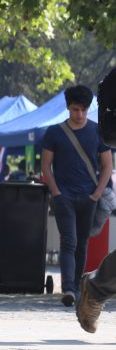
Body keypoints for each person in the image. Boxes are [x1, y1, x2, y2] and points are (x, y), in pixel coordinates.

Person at [41, 85, 112, 307]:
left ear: (88, 109)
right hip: (64, 198)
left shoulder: (98, 131)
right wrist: (56, 192)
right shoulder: (54, 132)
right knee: (69, 242)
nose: (79, 115)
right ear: (68, 109)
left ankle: (78, 287)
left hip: (88, 198)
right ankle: (69, 289)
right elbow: (46, 166)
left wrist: (97, 194)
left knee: (82, 244)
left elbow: (108, 165)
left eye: (83, 110)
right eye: (74, 110)